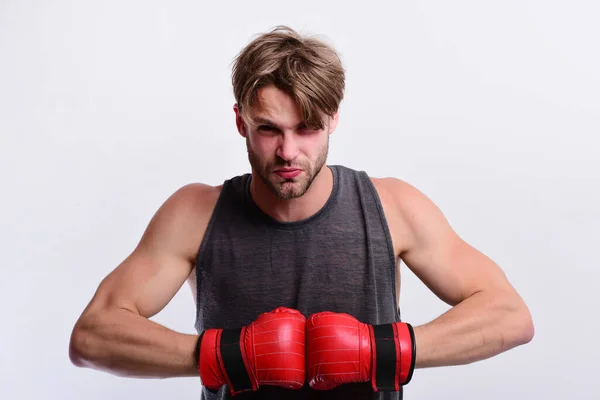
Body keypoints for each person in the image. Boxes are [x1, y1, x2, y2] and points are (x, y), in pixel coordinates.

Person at [69, 26, 534, 399]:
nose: (288, 152)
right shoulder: (195, 213)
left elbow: (509, 315)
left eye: (307, 128)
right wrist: (228, 356)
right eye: (269, 129)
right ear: (240, 123)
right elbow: (91, 338)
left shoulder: (392, 206)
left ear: (333, 118)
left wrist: (382, 351)